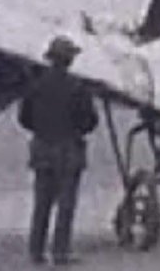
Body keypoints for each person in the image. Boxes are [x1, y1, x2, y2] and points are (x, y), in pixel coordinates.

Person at [18, 36, 99, 266]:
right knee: (66, 205)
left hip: (42, 149)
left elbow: (24, 118)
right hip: (69, 150)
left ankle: (36, 251)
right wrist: (75, 130)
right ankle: (60, 252)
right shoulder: (78, 87)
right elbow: (90, 121)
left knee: (41, 204)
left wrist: (42, 130)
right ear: (69, 60)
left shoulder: (35, 85)